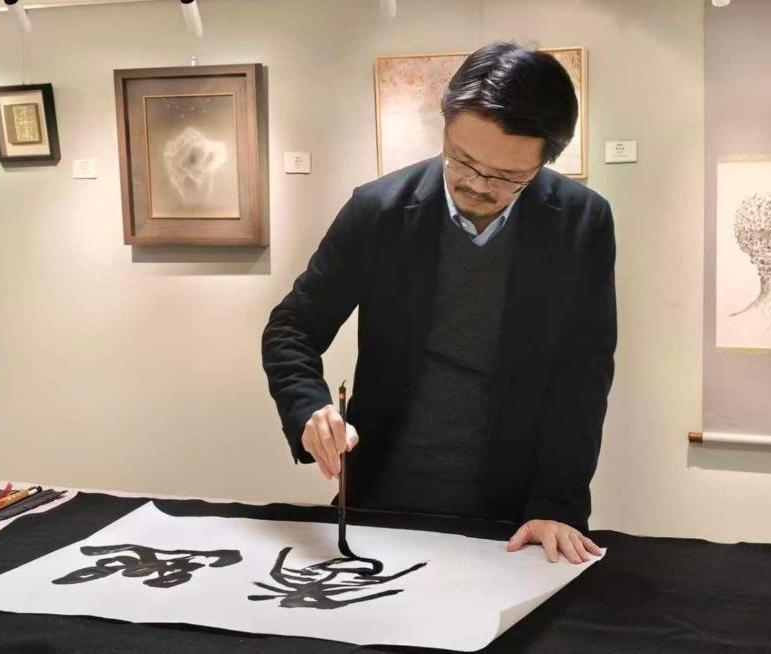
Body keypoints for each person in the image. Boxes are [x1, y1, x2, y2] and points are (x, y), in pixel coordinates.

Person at [262, 42, 616, 564]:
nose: (476, 184)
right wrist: (310, 408)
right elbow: (292, 327)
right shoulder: (379, 211)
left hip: (518, 511)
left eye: (505, 177)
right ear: (446, 125)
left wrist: (557, 504)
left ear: (544, 160)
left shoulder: (581, 223)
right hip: (382, 494)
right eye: (462, 160)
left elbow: (583, 373)